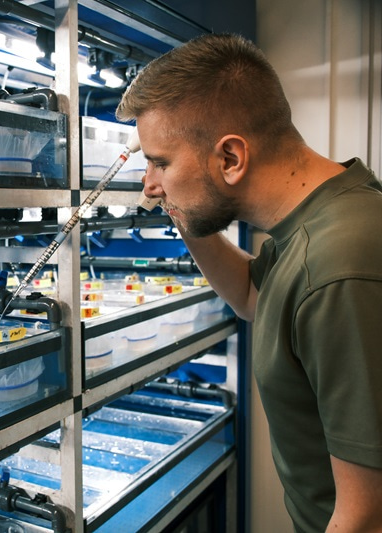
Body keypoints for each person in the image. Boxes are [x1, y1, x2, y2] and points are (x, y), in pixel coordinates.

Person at [116, 33, 382, 532]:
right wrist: (179, 208)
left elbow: (368, 516)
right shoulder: (316, 224)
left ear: (231, 158)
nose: (149, 183)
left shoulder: (340, 266)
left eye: (161, 162)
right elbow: (252, 296)